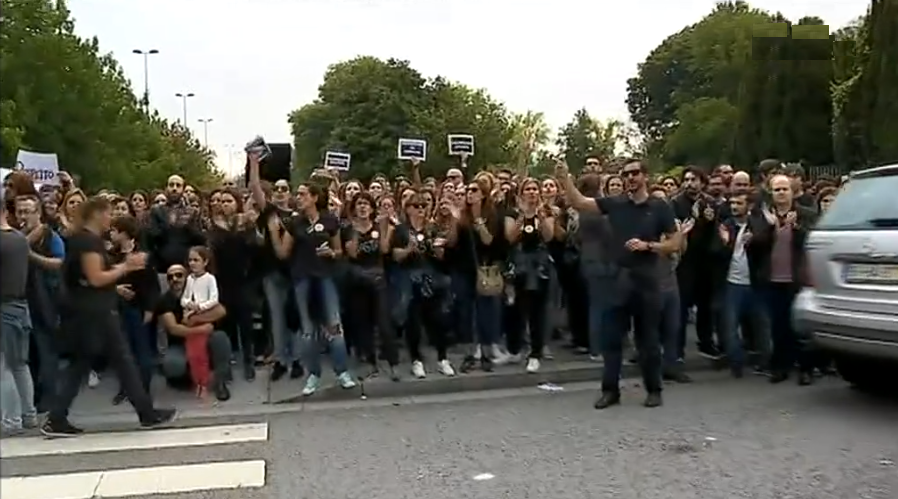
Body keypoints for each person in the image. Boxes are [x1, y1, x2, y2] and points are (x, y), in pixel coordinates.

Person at [41, 196, 177, 437]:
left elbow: (90, 276)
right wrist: (126, 267)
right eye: (108, 213)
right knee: (118, 360)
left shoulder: (83, 239)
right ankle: (146, 413)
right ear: (96, 214)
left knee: (87, 364)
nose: (110, 219)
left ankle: (58, 417)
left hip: (88, 311)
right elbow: (96, 278)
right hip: (94, 312)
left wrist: (122, 267)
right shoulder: (88, 242)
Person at [556, 158, 679, 409]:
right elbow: (580, 202)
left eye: (634, 173)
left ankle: (654, 389)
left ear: (645, 176)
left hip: (647, 280)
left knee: (648, 340)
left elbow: (675, 242)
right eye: (626, 174)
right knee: (611, 340)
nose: (630, 178)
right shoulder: (616, 203)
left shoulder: (659, 207)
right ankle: (610, 391)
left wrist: (649, 246)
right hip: (618, 279)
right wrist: (564, 177)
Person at [1, 190, 38, 435]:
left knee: (3, 366)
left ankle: (11, 421)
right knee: (19, 365)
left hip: (3, 307)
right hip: (20, 307)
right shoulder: (19, 239)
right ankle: (28, 415)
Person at [181, 246, 218, 398]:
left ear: (205, 262)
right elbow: (184, 298)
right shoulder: (189, 279)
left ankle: (204, 383)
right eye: (190, 260)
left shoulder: (210, 279)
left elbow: (214, 299)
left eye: (196, 260)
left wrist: (200, 307)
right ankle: (197, 381)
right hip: (190, 319)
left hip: (203, 318)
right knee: (192, 355)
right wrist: (188, 303)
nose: (192, 263)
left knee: (201, 354)